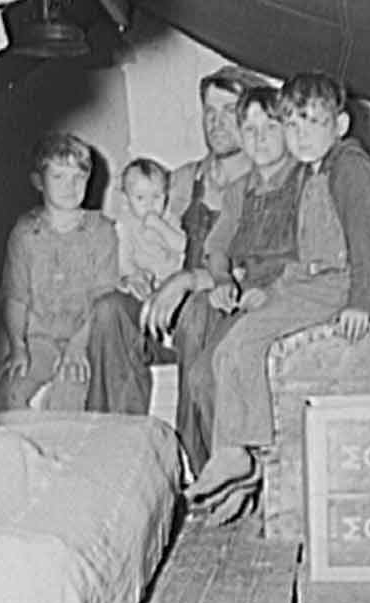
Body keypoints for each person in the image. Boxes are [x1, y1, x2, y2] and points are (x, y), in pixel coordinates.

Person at [184, 71, 370, 525]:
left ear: (339, 125)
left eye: (310, 123)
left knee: (242, 345)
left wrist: (363, 301)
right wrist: (274, 289)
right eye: (294, 124)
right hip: (307, 281)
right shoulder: (314, 171)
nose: (299, 135)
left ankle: (243, 450)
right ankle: (240, 459)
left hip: (335, 286)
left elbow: (368, 240)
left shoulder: (349, 169)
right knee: (226, 351)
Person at [85, 63, 264, 417]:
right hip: (166, 316)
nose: (216, 122)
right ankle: (120, 442)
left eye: (229, 111)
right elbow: (139, 235)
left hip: (223, 315)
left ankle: (203, 461)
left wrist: (187, 282)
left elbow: (258, 270)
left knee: (200, 312)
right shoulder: (181, 181)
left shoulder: (262, 185)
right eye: (209, 112)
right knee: (110, 311)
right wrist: (133, 276)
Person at [176, 84, 303, 476]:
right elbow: (217, 248)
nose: (259, 139)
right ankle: (226, 471)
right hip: (249, 298)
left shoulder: (303, 181)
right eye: (249, 130)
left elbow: (315, 256)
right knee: (201, 376)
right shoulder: (237, 191)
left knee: (219, 369)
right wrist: (220, 280)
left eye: (269, 128)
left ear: (287, 130)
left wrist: (272, 291)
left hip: (293, 296)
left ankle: (259, 475)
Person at [0, 132, 118, 411]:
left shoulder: (102, 230)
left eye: (78, 177)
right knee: (9, 391)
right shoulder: (24, 232)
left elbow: (104, 298)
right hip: (37, 338)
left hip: (83, 337)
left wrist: (77, 347)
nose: (70, 186)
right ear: (39, 181)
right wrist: (18, 346)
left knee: (70, 395)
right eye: (59, 177)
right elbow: (16, 297)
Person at [113, 156, 186, 335]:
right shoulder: (125, 225)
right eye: (140, 198)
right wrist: (134, 276)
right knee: (124, 300)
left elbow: (183, 246)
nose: (150, 204)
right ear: (125, 200)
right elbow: (124, 260)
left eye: (156, 196)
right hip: (144, 283)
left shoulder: (170, 219)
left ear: (166, 196)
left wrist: (161, 227)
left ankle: (170, 333)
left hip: (174, 282)